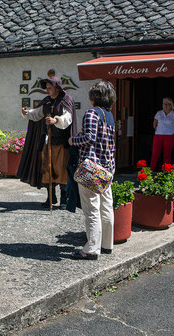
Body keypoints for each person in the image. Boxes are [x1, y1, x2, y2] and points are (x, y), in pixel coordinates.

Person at [69, 81, 116, 259]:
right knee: (106, 207)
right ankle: (106, 245)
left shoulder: (91, 113)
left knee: (91, 209)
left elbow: (89, 139)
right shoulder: (109, 115)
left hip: (91, 168)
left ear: (93, 97)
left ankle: (91, 249)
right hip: (107, 168)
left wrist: (73, 141)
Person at [18, 76, 77, 208]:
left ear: (57, 88)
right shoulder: (47, 100)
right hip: (48, 140)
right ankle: (51, 197)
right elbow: (37, 113)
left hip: (62, 142)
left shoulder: (66, 99)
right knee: (47, 168)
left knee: (61, 169)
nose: (47, 90)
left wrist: (56, 121)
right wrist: (27, 113)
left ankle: (63, 199)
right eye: (46, 88)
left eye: (49, 88)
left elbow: (68, 118)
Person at [150, 98, 174, 171]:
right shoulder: (159, 113)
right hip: (158, 135)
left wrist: (171, 131)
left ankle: (166, 171)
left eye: (168, 104)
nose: (166, 106)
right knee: (155, 153)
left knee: (167, 154)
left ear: (171, 105)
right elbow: (154, 124)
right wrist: (159, 130)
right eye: (165, 104)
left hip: (169, 136)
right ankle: (151, 170)